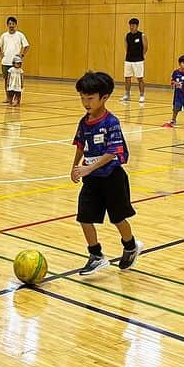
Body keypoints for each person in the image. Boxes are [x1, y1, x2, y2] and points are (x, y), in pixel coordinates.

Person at [70, 71, 142, 276]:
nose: (85, 102)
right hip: (91, 179)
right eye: (82, 98)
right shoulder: (84, 122)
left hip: (112, 178)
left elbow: (113, 152)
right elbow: (80, 144)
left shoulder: (111, 122)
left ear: (104, 97)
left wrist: (88, 168)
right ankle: (96, 255)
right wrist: (74, 167)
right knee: (84, 217)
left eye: (90, 98)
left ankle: (130, 246)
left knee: (118, 218)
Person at [0, 17, 30, 103]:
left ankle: (16, 98)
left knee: (16, 81)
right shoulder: (4, 35)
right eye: (10, 24)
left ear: (16, 25)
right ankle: (8, 97)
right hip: (5, 61)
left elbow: (26, 46)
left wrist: (22, 55)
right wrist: (1, 54)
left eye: (13, 24)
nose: (11, 25)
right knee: (7, 80)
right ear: (7, 25)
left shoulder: (20, 35)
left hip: (16, 63)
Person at [120, 19, 148, 104]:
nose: (132, 27)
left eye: (133, 25)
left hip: (138, 60)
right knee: (127, 77)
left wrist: (141, 55)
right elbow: (126, 47)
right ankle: (127, 94)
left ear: (137, 26)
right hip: (128, 60)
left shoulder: (142, 35)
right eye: (130, 25)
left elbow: (145, 47)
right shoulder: (127, 36)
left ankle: (142, 95)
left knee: (139, 78)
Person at [164, 55, 184, 128]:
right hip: (178, 94)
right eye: (183, 63)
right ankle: (173, 119)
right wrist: (176, 83)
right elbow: (172, 81)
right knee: (176, 107)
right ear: (179, 63)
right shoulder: (176, 72)